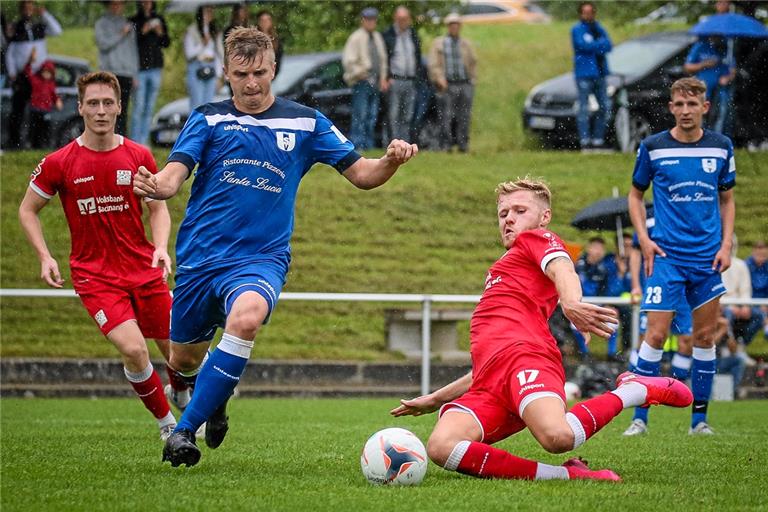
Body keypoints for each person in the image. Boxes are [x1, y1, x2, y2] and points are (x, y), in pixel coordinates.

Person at [132, 28, 418, 467]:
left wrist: (391, 161)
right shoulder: (207, 118)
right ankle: (216, 399)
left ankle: (184, 431)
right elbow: (174, 174)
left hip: (260, 259)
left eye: (260, 72)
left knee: (246, 319)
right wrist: (157, 185)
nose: (252, 83)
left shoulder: (305, 122)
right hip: (200, 259)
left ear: (274, 69)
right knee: (183, 360)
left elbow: (362, 174)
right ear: (226, 73)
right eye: (242, 74)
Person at [390, 177, 692, 482]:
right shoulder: (505, 266)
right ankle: (568, 475)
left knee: (557, 437)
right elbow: (486, 365)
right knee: (442, 447)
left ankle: (633, 389)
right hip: (489, 383)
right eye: (503, 213)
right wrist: (435, 399)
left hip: (527, 360)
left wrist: (572, 303)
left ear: (543, 217)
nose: (509, 218)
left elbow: (562, 267)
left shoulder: (537, 239)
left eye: (520, 210)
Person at [18, 71, 188, 441]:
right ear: (80, 108)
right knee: (134, 349)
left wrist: (160, 247)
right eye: (92, 103)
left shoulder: (137, 154)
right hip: (96, 277)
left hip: (143, 268)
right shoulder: (59, 162)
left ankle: (181, 392)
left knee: (178, 353)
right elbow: (27, 210)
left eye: (107, 103)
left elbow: (157, 207)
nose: (100, 111)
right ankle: (167, 426)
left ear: (119, 107)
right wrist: (45, 256)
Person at [628, 76, 736, 435]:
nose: (686, 110)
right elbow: (634, 196)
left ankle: (699, 421)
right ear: (671, 107)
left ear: (705, 107)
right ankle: (639, 420)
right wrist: (644, 239)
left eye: (693, 104)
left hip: (707, 259)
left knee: (704, 338)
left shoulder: (721, 147)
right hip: (667, 257)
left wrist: (725, 245)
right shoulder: (653, 146)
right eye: (679, 104)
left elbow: (727, 199)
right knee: (655, 336)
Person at [623, 215, 694, 436]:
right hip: (657, 285)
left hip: (685, 289)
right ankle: (639, 414)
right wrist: (635, 284)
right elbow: (636, 250)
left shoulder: (691, 209)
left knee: (688, 340)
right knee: (649, 339)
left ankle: (673, 386)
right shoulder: (650, 215)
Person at [5, 1, 62, 150]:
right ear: (22, 9)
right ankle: (15, 143)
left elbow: (57, 31)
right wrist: (12, 72)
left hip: (40, 77)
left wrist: (45, 14)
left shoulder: (40, 25)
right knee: (18, 110)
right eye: (26, 7)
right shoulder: (17, 27)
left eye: (31, 7)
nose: (29, 10)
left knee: (39, 112)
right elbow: (10, 52)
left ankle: (37, 143)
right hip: (23, 76)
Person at [428, 13, 477, 153]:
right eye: (451, 25)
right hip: (447, 84)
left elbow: (473, 62)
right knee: (446, 116)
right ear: (448, 26)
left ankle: (463, 145)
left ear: (459, 26)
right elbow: (433, 64)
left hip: (465, 83)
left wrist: (473, 80)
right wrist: (439, 78)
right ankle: (446, 145)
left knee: (464, 116)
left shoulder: (465, 44)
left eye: (456, 24)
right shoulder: (439, 43)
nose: (454, 27)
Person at [342, 7, 388, 150]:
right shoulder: (355, 38)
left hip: (375, 82)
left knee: (372, 115)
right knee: (360, 115)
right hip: (361, 81)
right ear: (363, 20)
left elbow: (383, 60)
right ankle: (358, 144)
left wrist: (383, 77)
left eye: (373, 19)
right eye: (368, 19)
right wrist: (359, 72)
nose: (371, 22)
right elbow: (348, 61)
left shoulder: (377, 37)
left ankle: (369, 144)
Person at [571, 236, 623, 359]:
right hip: (581, 302)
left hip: (600, 303)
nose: (598, 251)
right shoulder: (577, 265)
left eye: (601, 249)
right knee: (574, 318)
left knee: (613, 315)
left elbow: (613, 289)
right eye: (595, 248)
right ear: (588, 248)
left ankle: (611, 353)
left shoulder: (607, 267)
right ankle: (584, 353)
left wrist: (620, 274)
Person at [571, 1, 611, 150]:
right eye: (585, 12)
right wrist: (598, 45)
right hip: (584, 73)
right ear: (581, 14)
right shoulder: (577, 29)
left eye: (590, 12)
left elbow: (609, 45)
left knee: (604, 107)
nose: (588, 15)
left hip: (600, 73)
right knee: (583, 108)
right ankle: (584, 140)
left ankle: (598, 140)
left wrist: (594, 45)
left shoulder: (599, 28)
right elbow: (582, 46)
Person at [129, 0, 170, 146]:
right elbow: (130, 43)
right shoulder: (133, 20)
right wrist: (142, 31)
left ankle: (143, 142)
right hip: (139, 69)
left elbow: (166, 43)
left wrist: (160, 32)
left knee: (149, 107)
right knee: (138, 107)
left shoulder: (159, 19)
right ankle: (134, 142)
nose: (147, 3)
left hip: (156, 67)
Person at [95, 0, 138, 136]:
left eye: (120, 4)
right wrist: (121, 35)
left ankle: (121, 140)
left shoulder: (128, 24)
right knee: (108, 108)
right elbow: (103, 44)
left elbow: (133, 51)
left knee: (122, 109)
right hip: (110, 73)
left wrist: (134, 74)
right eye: (114, 3)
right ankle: (107, 138)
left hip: (126, 73)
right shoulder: (101, 23)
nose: (117, 7)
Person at [382, 5, 422, 142]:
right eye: (400, 19)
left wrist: (417, 76)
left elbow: (417, 57)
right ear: (395, 19)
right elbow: (384, 58)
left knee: (408, 115)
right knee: (394, 115)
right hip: (395, 80)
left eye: (405, 19)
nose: (402, 22)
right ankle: (394, 142)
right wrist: (386, 77)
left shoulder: (413, 35)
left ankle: (405, 142)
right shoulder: (388, 35)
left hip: (410, 80)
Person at [684, 36, 735, 135]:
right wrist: (704, 64)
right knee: (702, 115)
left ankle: (718, 139)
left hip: (722, 90)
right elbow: (688, 67)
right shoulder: (700, 46)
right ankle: (701, 139)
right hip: (703, 90)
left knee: (721, 115)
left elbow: (733, 70)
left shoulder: (727, 48)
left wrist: (727, 78)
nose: (716, 36)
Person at [721, 237, 761, 360]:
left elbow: (745, 289)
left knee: (758, 316)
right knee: (727, 315)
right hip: (722, 305)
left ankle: (740, 345)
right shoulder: (714, 262)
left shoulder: (741, 265)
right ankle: (727, 347)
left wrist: (745, 306)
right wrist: (730, 307)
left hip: (738, 304)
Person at [184, 5, 224, 109]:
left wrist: (219, 75)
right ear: (200, 14)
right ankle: (196, 125)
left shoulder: (215, 30)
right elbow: (189, 54)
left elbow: (218, 54)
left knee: (208, 104)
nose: (210, 14)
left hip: (211, 67)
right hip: (196, 67)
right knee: (197, 104)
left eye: (211, 11)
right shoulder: (192, 30)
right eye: (207, 12)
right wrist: (202, 44)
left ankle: (206, 125)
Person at [24, 48, 62, 149]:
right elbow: (28, 72)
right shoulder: (36, 81)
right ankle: (33, 145)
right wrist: (30, 61)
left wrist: (57, 101)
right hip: (35, 109)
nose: (46, 74)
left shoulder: (51, 85)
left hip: (45, 110)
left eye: (48, 72)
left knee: (45, 129)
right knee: (34, 129)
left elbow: (54, 95)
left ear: (52, 74)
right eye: (44, 72)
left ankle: (43, 145)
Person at [746, 240, 768, 337]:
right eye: (758, 254)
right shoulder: (746, 265)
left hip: (765, 302)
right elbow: (745, 288)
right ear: (753, 252)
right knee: (760, 316)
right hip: (749, 301)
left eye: (763, 255)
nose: (761, 258)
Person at [255, 10, 282, 76]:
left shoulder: (276, 40)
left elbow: (278, 59)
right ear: (258, 22)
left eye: (267, 20)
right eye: (262, 20)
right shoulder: (253, 39)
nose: (265, 23)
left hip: (271, 75)